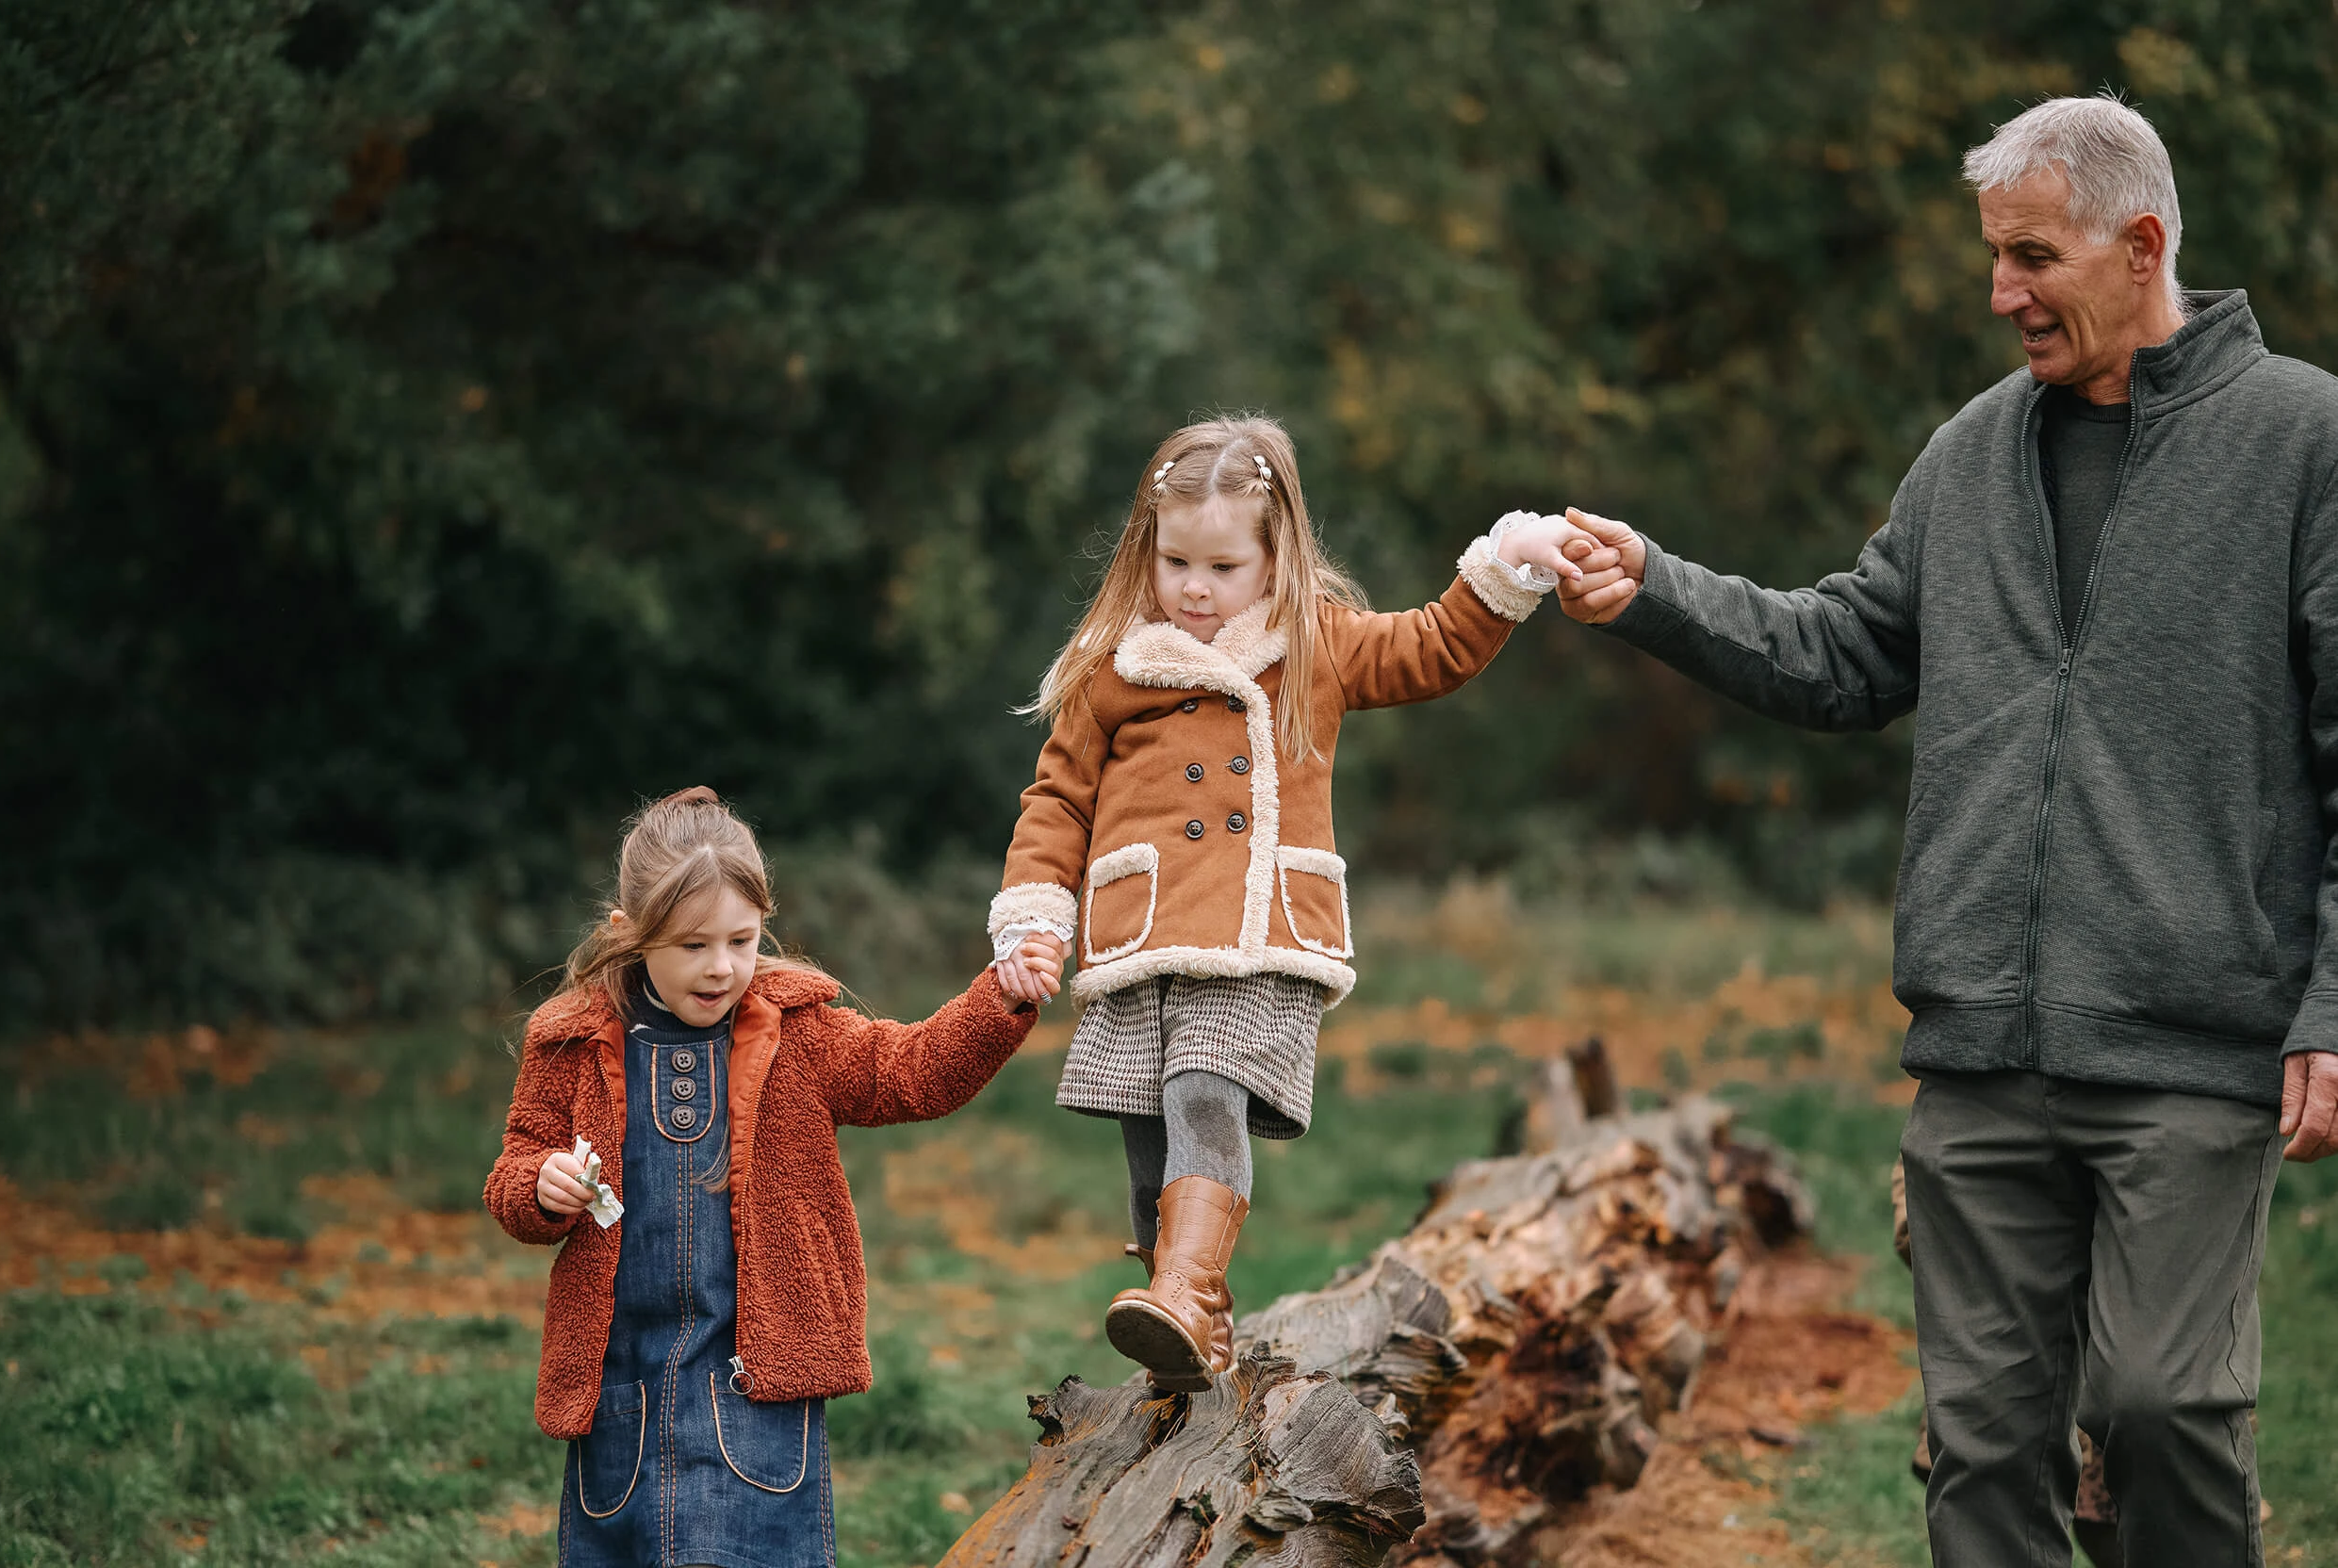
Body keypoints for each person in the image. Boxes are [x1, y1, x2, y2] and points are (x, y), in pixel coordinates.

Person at [1533, 94, 2338, 1566]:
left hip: (2191, 1048)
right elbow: (1841, 652)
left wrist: (2331, 1008)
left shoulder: (2307, 443)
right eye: (1993, 254)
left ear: (2140, 242)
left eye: (2033, 255)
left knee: (2164, 1413)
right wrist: (1654, 585)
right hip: (1979, 1058)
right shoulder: (1971, 452)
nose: (2000, 290)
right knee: (1980, 1458)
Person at [985, 415, 1582, 1390]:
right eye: (1175, 560)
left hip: (1261, 937)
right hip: (1142, 940)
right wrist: (1035, 914)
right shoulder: (1113, 669)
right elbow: (1055, 801)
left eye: (1222, 565)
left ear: (1275, 554)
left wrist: (1503, 570)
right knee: (1149, 1141)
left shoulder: (1314, 647)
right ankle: (1184, 1329)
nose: (1195, 587)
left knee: (1203, 1094)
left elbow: (1431, 647)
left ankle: (1186, 1292)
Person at [482, 787, 1061, 1568]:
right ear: (629, 936)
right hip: (624, 1390)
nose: (721, 967)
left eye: (742, 940)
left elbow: (911, 1072)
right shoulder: (569, 1043)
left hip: (757, 1384)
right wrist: (541, 1187)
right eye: (692, 946)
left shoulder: (801, 1033)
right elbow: (517, 1167)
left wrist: (999, 1000)